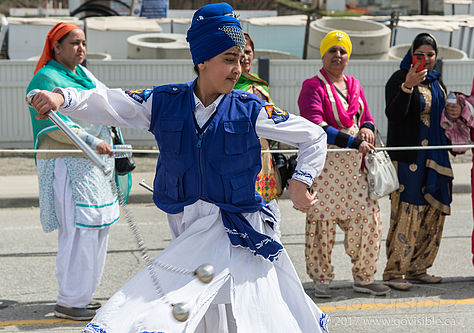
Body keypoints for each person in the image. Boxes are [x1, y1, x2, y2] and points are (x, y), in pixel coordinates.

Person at [28, 3, 329, 332]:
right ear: (202, 60)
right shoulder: (164, 102)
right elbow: (110, 102)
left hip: (232, 227)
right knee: (204, 310)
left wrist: (301, 181)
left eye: (240, 59)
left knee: (206, 306)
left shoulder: (250, 110)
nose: (237, 70)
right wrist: (63, 99)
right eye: (229, 59)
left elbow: (313, 135)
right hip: (185, 226)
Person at [26, 22, 123, 321]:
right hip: (69, 165)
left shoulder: (84, 75)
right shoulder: (45, 78)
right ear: (56, 47)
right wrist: (92, 141)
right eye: (74, 43)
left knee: (98, 228)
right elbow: (50, 124)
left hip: (96, 167)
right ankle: (68, 301)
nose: (81, 48)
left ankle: (83, 296)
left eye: (84, 42)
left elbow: (107, 104)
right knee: (79, 231)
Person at [297, 30, 390, 298]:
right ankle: (321, 279)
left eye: (343, 51)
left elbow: (367, 117)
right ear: (323, 54)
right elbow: (315, 126)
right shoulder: (312, 87)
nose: (338, 55)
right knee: (321, 225)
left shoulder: (354, 85)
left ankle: (364, 277)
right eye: (332, 50)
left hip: (356, 170)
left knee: (368, 220)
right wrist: (352, 142)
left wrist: (367, 129)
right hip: (325, 169)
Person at [382, 32, 460, 290]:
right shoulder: (398, 78)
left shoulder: (438, 84)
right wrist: (408, 86)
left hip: (435, 158)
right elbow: (393, 114)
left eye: (430, 54)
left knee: (431, 213)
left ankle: (418, 268)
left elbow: (444, 123)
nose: (425, 59)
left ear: (436, 57)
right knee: (408, 212)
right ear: (411, 54)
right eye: (420, 54)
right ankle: (395, 271)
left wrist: (453, 112)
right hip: (409, 159)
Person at [234, 32, 283, 201]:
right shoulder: (224, 84)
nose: (244, 56)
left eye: (248, 52)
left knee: (265, 205)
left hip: (263, 154)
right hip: (237, 153)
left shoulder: (260, 85)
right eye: (239, 51)